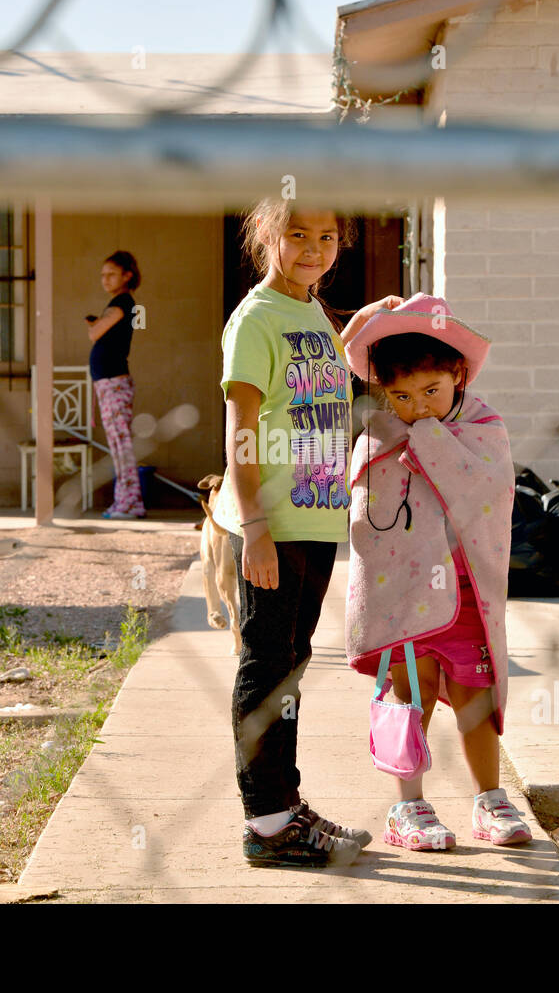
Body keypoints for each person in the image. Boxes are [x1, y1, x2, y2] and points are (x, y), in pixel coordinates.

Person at [212, 198, 403, 867]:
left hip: (317, 515)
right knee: (266, 667)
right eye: (299, 236)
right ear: (268, 237)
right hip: (274, 521)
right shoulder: (256, 320)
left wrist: (368, 322)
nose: (315, 249)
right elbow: (240, 430)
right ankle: (265, 824)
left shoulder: (310, 310)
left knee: (290, 666)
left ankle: (285, 805)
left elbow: (322, 375)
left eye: (327, 237)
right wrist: (256, 526)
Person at [342, 294, 532, 851]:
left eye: (431, 391)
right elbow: (366, 526)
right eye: (400, 397)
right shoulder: (376, 437)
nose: (418, 407)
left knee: (476, 696)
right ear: (383, 393)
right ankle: (408, 808)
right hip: (404, 601)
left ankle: (489, 801)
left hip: (467, 596)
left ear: (458, 373)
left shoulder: (484, 428)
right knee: (412, 698)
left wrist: (429, 441)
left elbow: (488, 495)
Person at [88, 250, 146, 520]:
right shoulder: (117, 303)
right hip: (107, 383)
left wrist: (96, 323)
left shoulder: (122, 302)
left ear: (127, 275)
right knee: (117, 445)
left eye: (111, 274)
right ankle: (123, 501)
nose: (105, 280)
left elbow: (95, 332)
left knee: (121, 445)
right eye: (102, 275)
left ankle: (131, 503)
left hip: (115, 383)